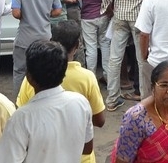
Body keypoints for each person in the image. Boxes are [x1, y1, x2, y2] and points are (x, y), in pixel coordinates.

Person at [15, 21, 105, 163]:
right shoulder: (87, 78)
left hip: (43, 154)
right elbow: (99, 121)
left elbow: (20, 111)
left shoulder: (34, 77)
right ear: (77, 46)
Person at [0, 41, 94, 163]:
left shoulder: (21, 118)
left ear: (29, 78)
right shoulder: (81, 103)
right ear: (64, 72)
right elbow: (87, 148)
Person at [101, 0, 156, 112]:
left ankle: (112, 98)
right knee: (142, 60)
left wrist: (107, 9)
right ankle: (145, 101)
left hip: (120, 15)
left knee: (115, 58)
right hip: (139, 18)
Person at [11, 0, 62, 94]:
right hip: (44, 37)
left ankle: (19, 103)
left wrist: (26, 13)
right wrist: (45, 13)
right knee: (43, 73)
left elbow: (16, 13)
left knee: (20, 72)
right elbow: (58, 11)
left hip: (24, 38)